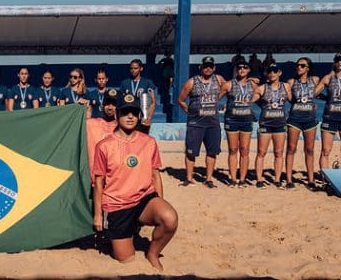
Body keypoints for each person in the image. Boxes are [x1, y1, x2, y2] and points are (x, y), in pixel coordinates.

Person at [92, 94, 178, 271]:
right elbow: (99, 182)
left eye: (134, 112)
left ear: (139, 116)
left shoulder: (149, 142)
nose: (130, 116)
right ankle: (122, 234)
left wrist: (160, 201)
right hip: (117, 205)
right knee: (126, 259)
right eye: (125, 112)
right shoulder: (104, 146)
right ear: (117, 115)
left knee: (170, 219)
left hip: (143, 200)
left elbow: (155, 175)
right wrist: (98, 215)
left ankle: (152, 253)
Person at [177, 57, 226, 188]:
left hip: (213, 123)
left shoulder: (219, 79)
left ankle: (208, 179)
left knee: (212, 151)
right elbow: (181, 100)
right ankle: (189, 178)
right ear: (201, 67)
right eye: (205, 66)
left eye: (210, 66)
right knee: (191, 152)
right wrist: (189, 111)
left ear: (214, 67)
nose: (208, 68)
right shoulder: (191, 82)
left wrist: (223, 103)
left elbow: (230, 89)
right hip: (196, 123)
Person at [252, 63, 291, 188]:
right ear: (266, 73)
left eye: (275, 71)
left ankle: (277, 179)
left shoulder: (286, 86)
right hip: (265, 123)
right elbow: (250, 100)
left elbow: (294, 100)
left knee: (279, 153)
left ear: (279, 73)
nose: (272, 73)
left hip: (280, 123)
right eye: (270, 71)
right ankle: (259, 179)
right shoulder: (262, 88)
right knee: (261, 152)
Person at [285, 57, 320, 189]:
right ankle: (289, 179)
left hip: (310, 120)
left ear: (308, 68)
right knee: (291, 149)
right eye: (297, 65)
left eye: (302, 65)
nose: (299, 67)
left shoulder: (315, 80)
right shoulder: (291, 82)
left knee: (309, 150)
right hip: (294, 119)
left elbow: (328, 83)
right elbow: (288, 98)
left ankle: (311, 180)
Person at [221, 61, 258, 187]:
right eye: (239, 67)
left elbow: (263, 94)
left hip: (246, 120)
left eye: (245, 67)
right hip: (232, 120)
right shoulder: (228, 84)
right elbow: (215, 97)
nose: (242, 69)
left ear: (249, 70)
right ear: (236, 70)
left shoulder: (253, 84)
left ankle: (242, 179)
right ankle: (232, 178)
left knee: (244, 150)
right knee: (233, 149)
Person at [316, 53, 341, 179]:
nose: (340, 62)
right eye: (338, 60)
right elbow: (314, 93)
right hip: (330, 117)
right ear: (334, 62)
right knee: (326, 150)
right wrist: (325, 98)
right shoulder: (328, 78)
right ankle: (325, 179)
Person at [86, 88, 119, 178]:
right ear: (102, 106)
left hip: (116, 182)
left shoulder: (123, 128)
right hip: (95, 179)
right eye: (107, 104)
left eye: (114, 104)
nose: (110, 107)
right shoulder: (90, 124)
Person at [119, 59, 157, 133]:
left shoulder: (147, 83)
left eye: (136, 68)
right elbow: (120, 102)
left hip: (142, 118)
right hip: (129, 118)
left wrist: (148, 118)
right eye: (131, 68)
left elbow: (153, 103)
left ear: (141, 68)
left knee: (142, 142)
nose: (133, 70)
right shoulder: (124, 83)